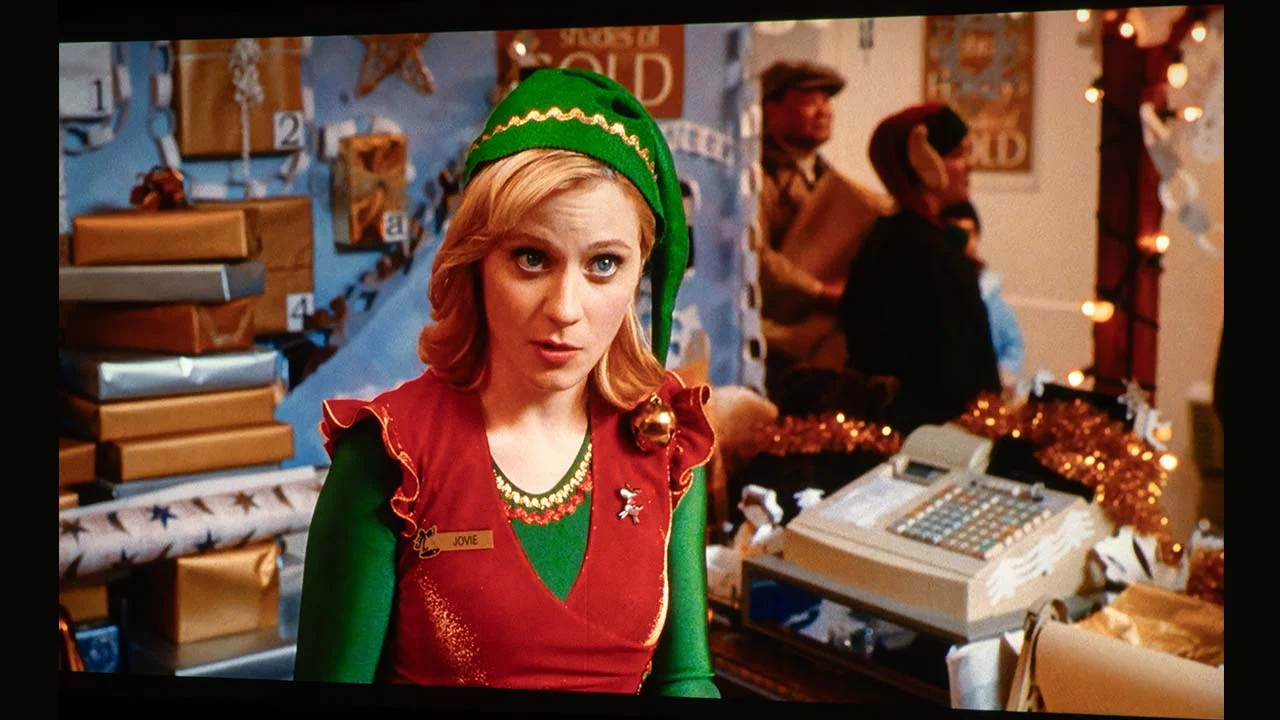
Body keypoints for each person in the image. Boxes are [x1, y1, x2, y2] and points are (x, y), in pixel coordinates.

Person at [293, 68, 719, 697]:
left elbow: (686, 679)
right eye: (531, 258)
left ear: (640, 275)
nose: (565, 308)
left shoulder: (666, 442)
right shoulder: (389, 453)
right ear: (476, 262)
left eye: (604, 263)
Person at [839, 103, 1001, 433]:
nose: (969, 165)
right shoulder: (916, 246)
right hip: (931, 435)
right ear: (924, 164)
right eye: (957, 154)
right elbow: (950, 364)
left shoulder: (907, 237)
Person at [756, 60, 892, 406]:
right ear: (771, 108)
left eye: (826, 101)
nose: (824, 111)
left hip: (821, 344)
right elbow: (754, 256)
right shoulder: (754, 176)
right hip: (774, 342)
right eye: (810, 101)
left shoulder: (826, 177)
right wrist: (819, 292)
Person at [939, 200, 1026, 388]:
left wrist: (1002, 375)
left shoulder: (989, 292)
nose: (964, 241)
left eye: (969, 233)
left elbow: (1013, 344)